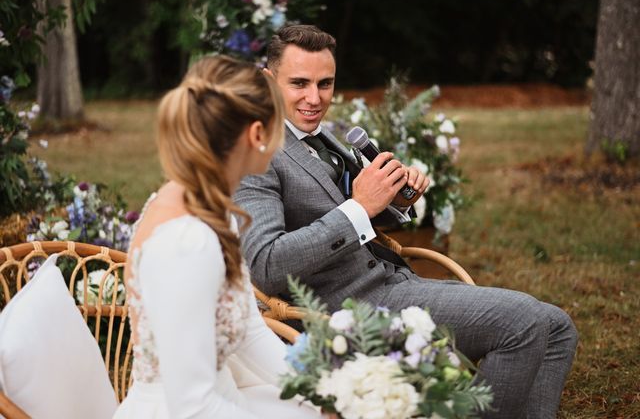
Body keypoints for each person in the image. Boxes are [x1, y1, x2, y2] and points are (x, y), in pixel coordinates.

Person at [234, 25, 578, 419]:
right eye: (299, 83)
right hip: (346, 311)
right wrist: (359, 207)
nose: (315, 98)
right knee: (525, 322)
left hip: (394, 283)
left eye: (325, 83)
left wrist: (389, 200)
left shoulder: (319, 137)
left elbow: (343, 215)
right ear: (268, 80)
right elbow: (266, 263)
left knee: (557, 326)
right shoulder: (255, 154)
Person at [114, 55, 320, 418]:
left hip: (224, 400)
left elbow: (251, 332)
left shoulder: (209, 204)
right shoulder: (188, 242)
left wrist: (324, 391)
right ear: (258, 135)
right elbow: (192, 406)